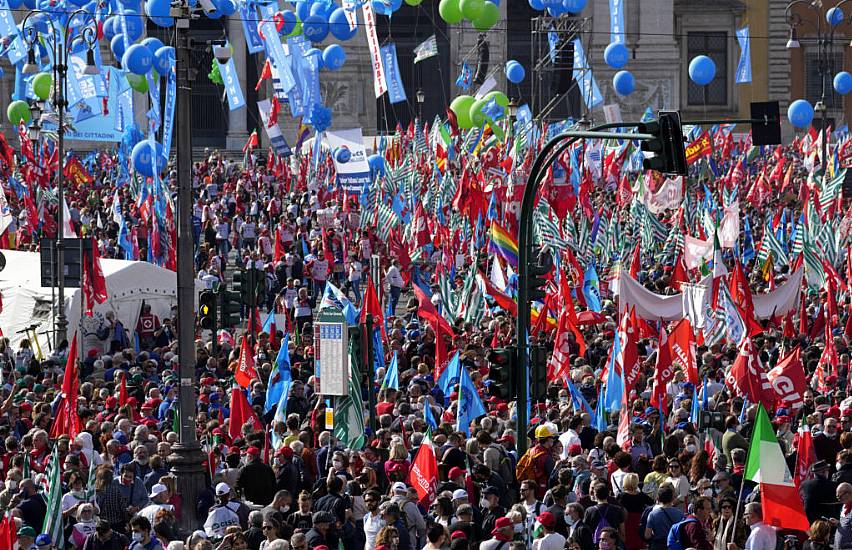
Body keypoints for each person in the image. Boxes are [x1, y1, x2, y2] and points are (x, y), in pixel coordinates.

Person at [644, 483, 683, 550]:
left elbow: (647, 535)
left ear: (658, 498)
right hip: (673, 545)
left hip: (658, 545)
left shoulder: (653, 514)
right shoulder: (679, 513)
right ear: (672, 498)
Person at [834, 482, 852, 549]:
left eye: (839, 496)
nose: (838, 499)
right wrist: (838, 523)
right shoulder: (844, 506)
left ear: (848, 494)